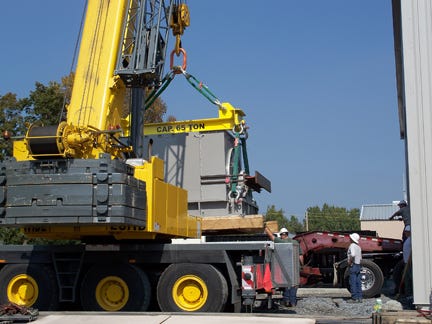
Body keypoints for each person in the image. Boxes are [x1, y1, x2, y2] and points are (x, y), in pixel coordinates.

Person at [264, 226, 304, 307]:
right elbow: (301, 256)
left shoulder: (280, 241)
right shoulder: (295, 242)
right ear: (287, 234)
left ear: (282, 235)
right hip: (295, 267)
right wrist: (302, 265)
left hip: (285, 267)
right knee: (294, 284)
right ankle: (293, 302)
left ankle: (286, 300)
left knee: (286, 284)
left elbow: (271, 236)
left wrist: (265, 227)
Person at [347, 233, 363, 303]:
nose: (349, 239)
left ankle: (354, 298)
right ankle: (359, 297)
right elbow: (360, 258)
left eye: (350, 238)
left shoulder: (352, 245)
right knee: (358, 282)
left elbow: (352, 254)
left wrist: (350, 262)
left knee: (353, 282)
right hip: (358, 265)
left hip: (353, 265)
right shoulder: (358, 247)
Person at [402, 225, 413, 296]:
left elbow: (412, 251)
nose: (405, 233)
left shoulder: (411, 240)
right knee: (406, 278)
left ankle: (411, 293)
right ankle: (408, 293)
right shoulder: (408, 239)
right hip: (406, 262)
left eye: (407, 232)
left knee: (410, 278)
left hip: (409, 262)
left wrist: (410, 260)